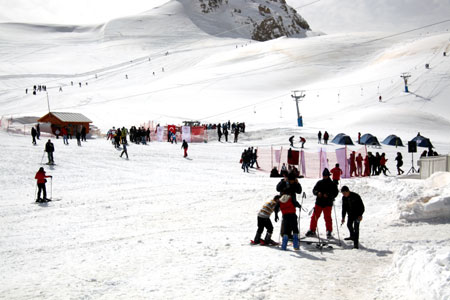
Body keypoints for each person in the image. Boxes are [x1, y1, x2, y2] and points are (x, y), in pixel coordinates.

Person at [306, 168, 338, 239]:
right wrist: (317, 193)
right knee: (314, 216)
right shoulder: (319, 182)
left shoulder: (332, 184)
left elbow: (335, 193)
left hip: (328, 203)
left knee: (327, 218)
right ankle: (312, 229)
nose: (324, 177)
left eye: (326, 176)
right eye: (324, 175)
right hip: (319, 203)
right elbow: (314, 190)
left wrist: (328, 195)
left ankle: (329, 231)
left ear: (328, 176)